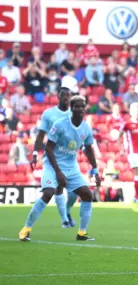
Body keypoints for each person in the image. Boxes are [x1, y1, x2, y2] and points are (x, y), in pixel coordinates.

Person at [19, 95, 100, 242]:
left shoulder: (86, 128)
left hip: (71, 167)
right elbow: (49, 148)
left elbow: (88, 150)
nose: (81, 109)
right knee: (49, 192)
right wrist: (58, 172)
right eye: (77, 106)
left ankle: (82, 233)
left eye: (83, 106)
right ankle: (26, 229)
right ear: (71, 108)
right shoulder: (60, 124)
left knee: (87, 194)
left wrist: (95, 171)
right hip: (52, 164)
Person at [30, 87, 77, 228]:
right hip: (53, 156)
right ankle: (65, 220)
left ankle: (67, 212)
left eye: (68, 95)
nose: (66, 98)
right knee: (58, 189)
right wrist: (35, 153)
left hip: (69, 157)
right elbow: (41, 135)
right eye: (63, 95)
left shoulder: (74, 114)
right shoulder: (49, 114)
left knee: (75, 191)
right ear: (58, 96)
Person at [117, 102, 138, 212]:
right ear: (131, 112)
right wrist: (121, 149)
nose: (137, 112)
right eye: (135, 110)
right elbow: (119, 136)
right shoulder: (127, 124)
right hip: (133, 152)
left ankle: (136, 197)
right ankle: (137, 199)